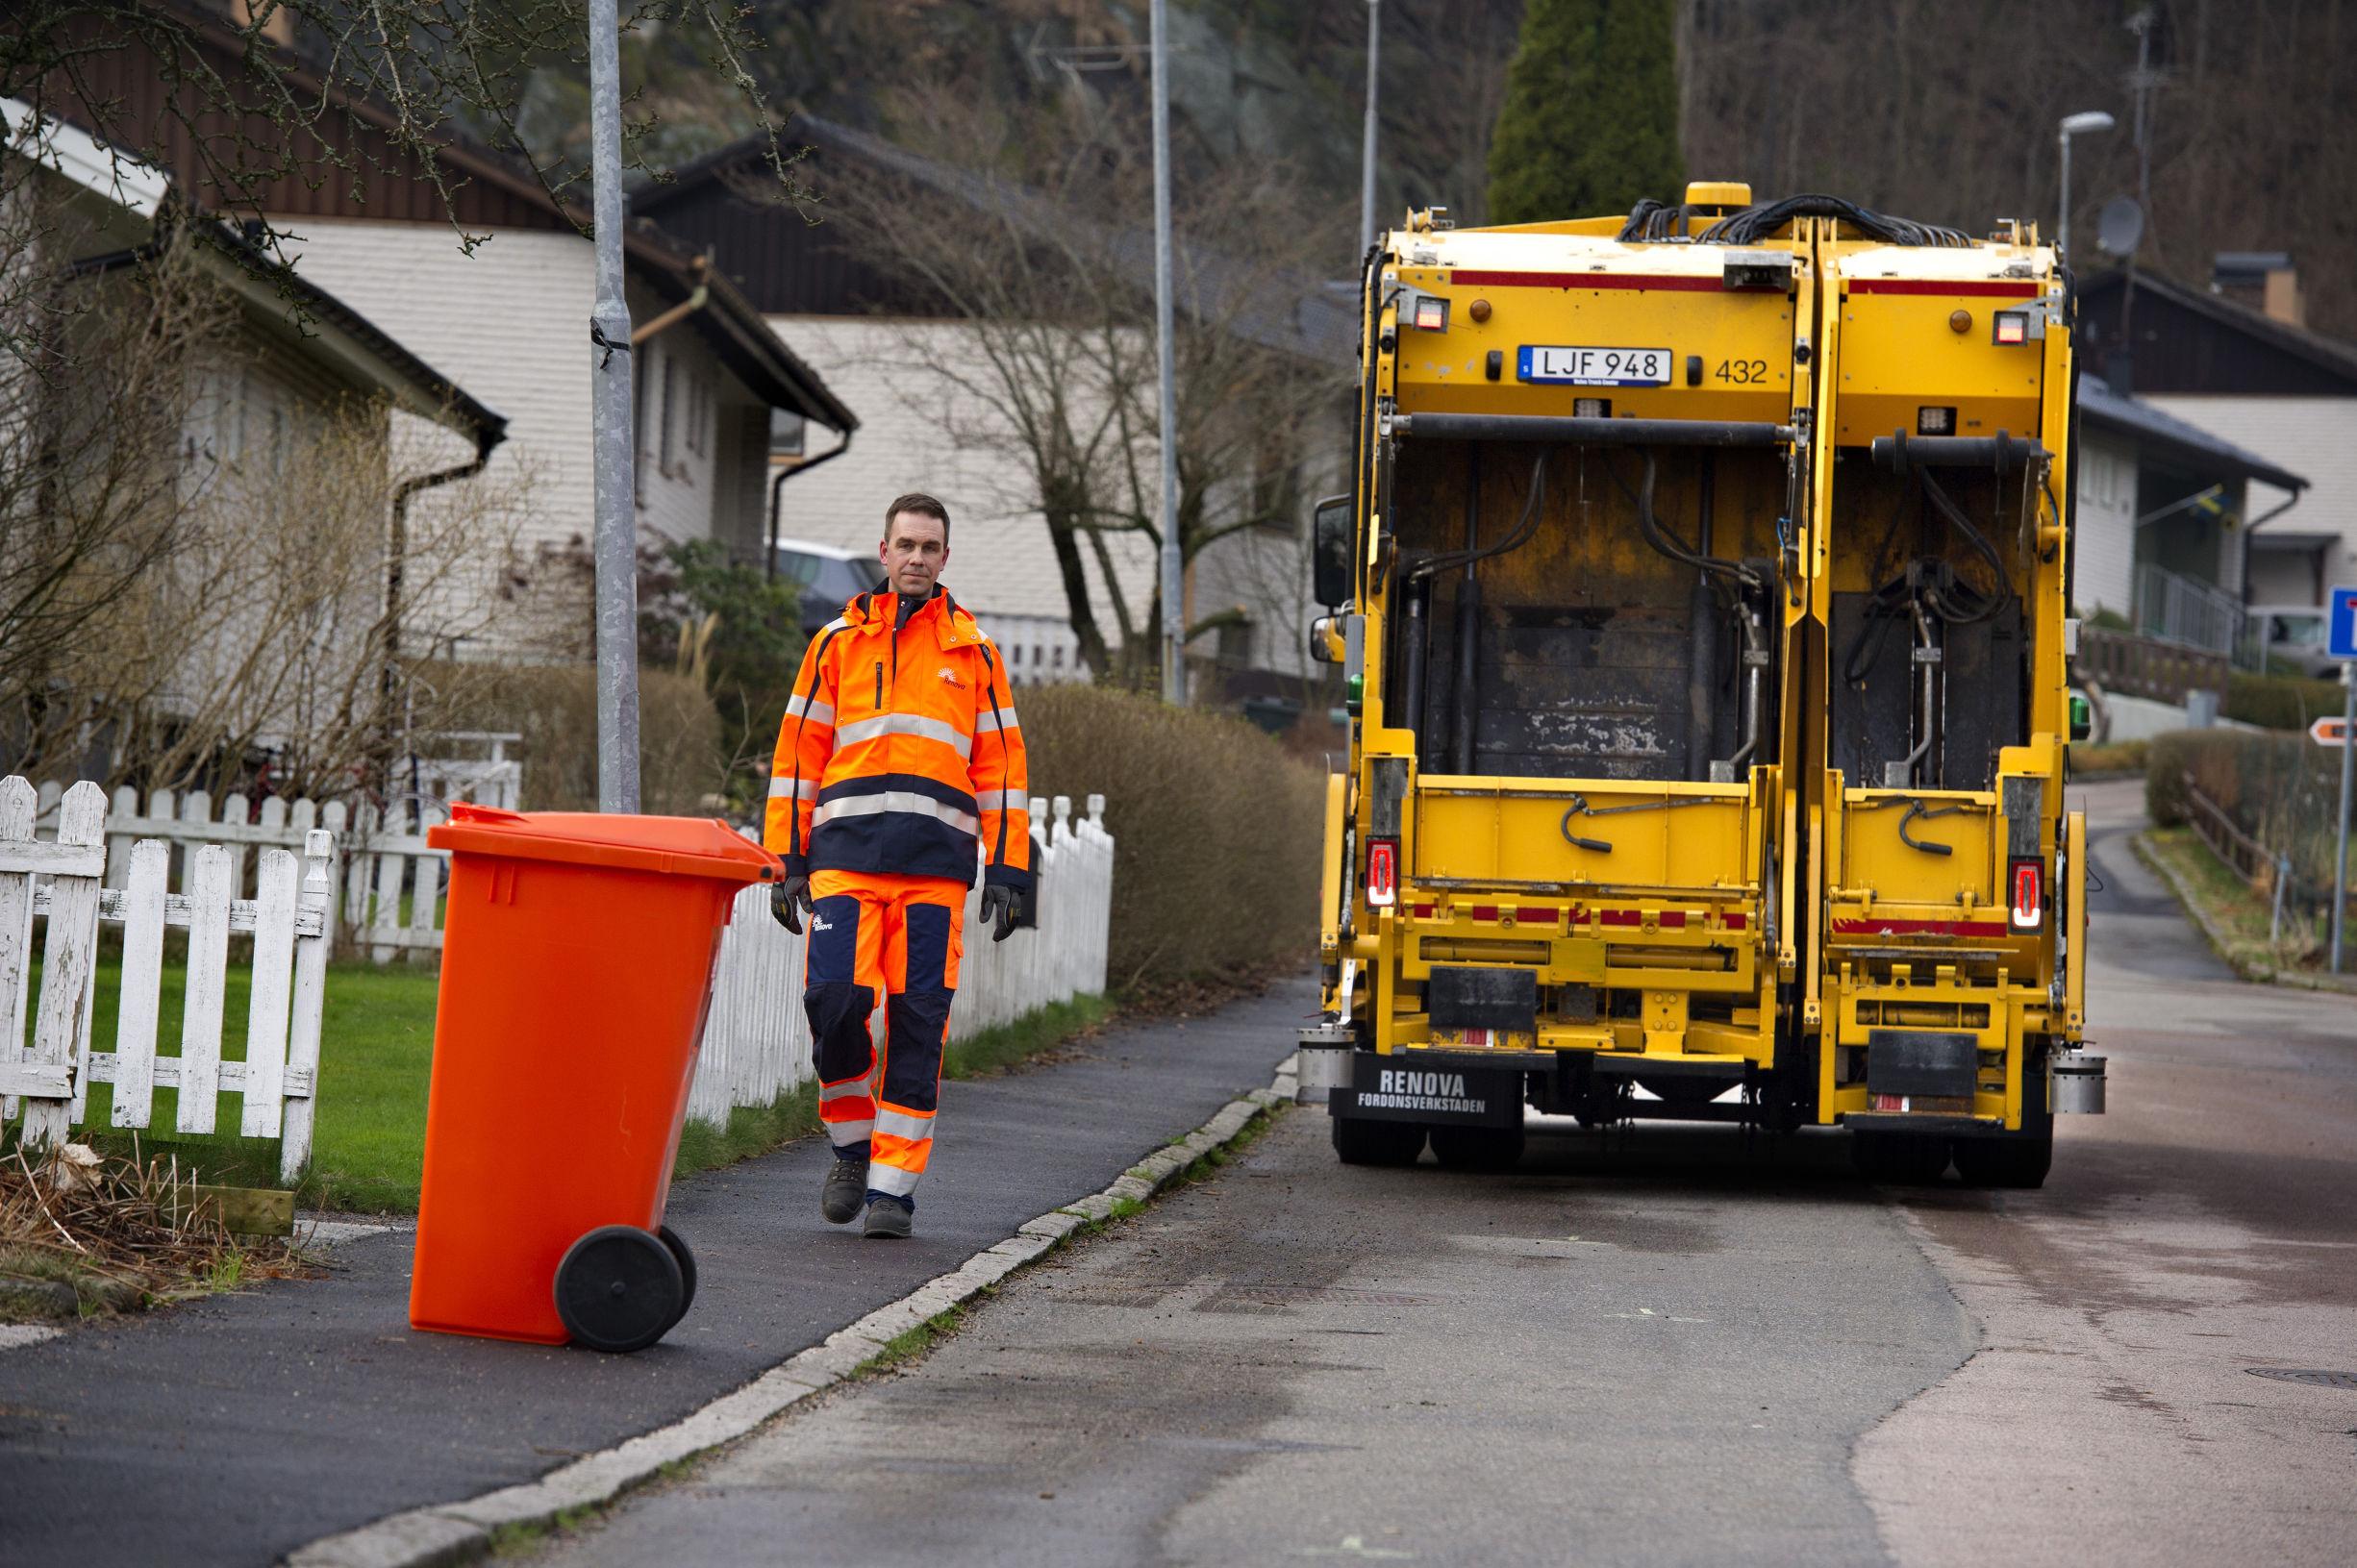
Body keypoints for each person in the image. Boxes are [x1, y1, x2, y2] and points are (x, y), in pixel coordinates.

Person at [764, 493, 1031, 1239]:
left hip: (933, 870)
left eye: (930, 546)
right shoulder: (835, 643)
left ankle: (891, 1192)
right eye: (905, 544)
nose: (916, 557)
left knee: (919, 1021)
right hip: (844, 858)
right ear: (883, 552)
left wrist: (1011, 868)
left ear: (945, 558)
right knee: (835, 998)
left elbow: (1002, 768)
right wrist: (786, 858)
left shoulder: (973, 652)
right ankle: (852, 1144)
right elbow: (798, 755)